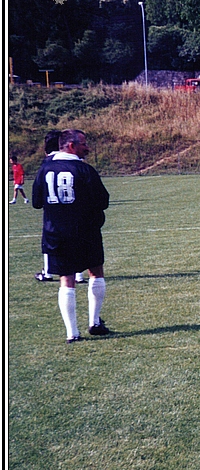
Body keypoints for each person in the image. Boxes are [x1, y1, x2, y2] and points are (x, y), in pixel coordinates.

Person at [31, 130, 112, 342]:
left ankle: (72, 333)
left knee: (66, 280)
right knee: (96, 272)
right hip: (85, 231)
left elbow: (37, 202)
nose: (87, 147)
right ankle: (94, 322)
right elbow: (103, 201)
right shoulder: (84, 169)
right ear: (70, 146)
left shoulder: (44, 168)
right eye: (83, 144)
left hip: (55, 233)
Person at [34, 130, 83, 284]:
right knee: (78, 238)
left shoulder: (48, 162)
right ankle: (79, 274)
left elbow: (38, 196)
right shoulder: (74, 160)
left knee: (50, 241)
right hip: (75, 208)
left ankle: (48, 272)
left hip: (54, 209)